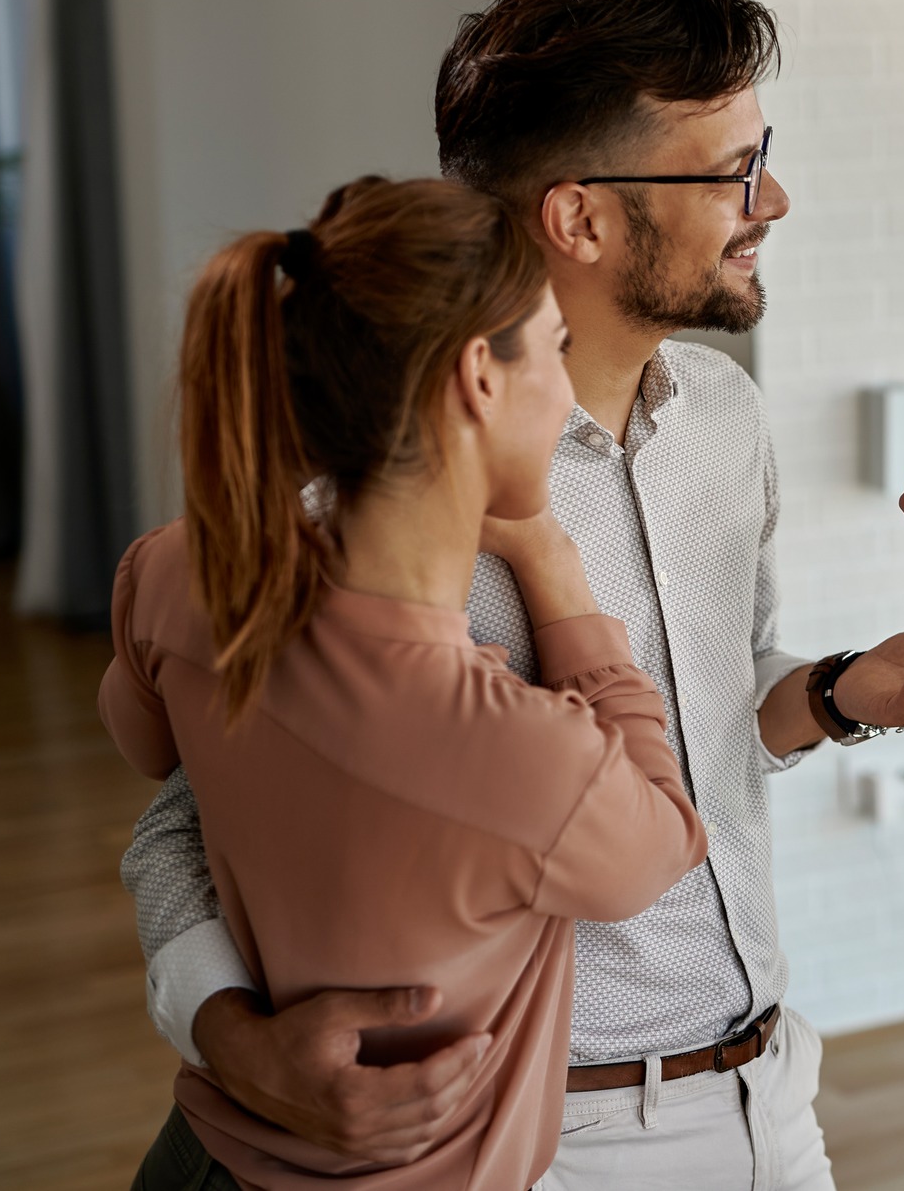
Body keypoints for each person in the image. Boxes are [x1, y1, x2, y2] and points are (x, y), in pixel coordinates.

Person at [118, 0, 904, 1191]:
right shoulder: (385, 526)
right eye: (731, 171)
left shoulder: (722, 417)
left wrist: (832, 696)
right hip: (539, 1138)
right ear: (582, 219)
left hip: (768, 1090)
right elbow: (185, 820)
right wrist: (226, 1033)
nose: (775, 198)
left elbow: (704, 727)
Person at [109, 176, 710, 1189]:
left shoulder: (173, 571)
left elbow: (148, 750)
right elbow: (660, 847)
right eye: (554, 348)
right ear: (480, 375)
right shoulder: (517, 751)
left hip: (198, 1166)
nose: (566, 391)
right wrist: (554, 568)